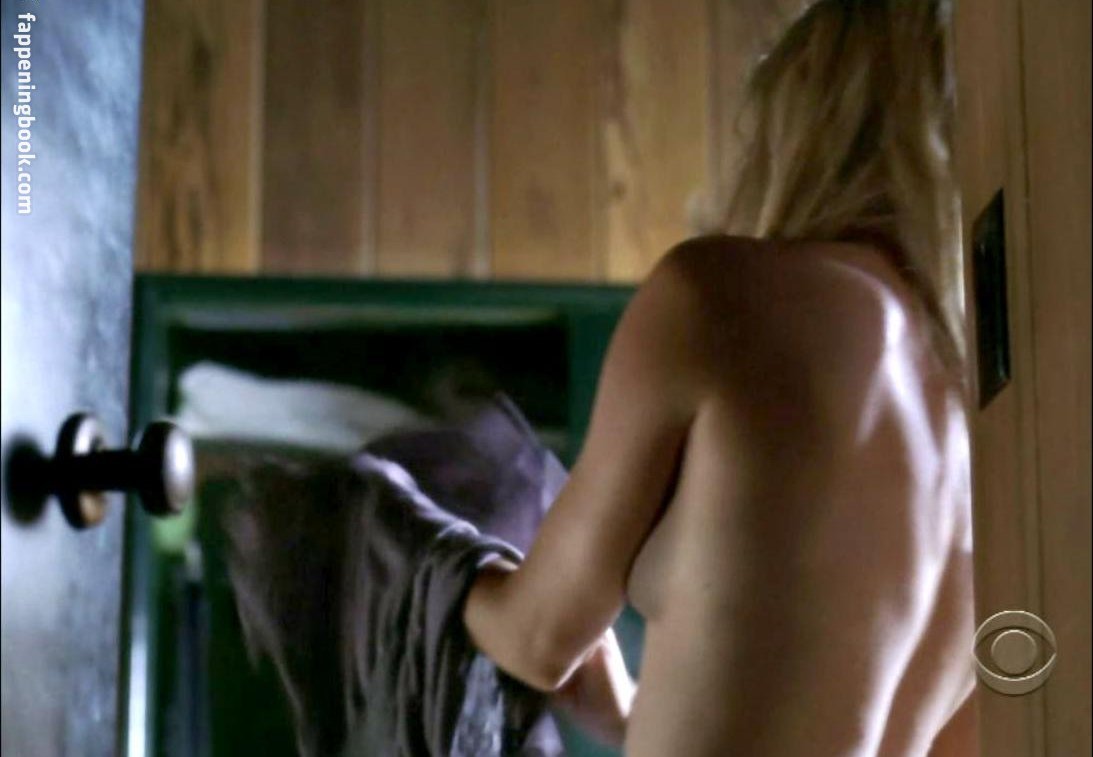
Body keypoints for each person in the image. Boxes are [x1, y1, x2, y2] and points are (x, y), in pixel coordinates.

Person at [463, 0, 977, 754]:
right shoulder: (990, 431)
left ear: (804, 116)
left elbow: (536, 637)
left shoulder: (725, 296)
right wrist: (628, 717)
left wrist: (427, 555)